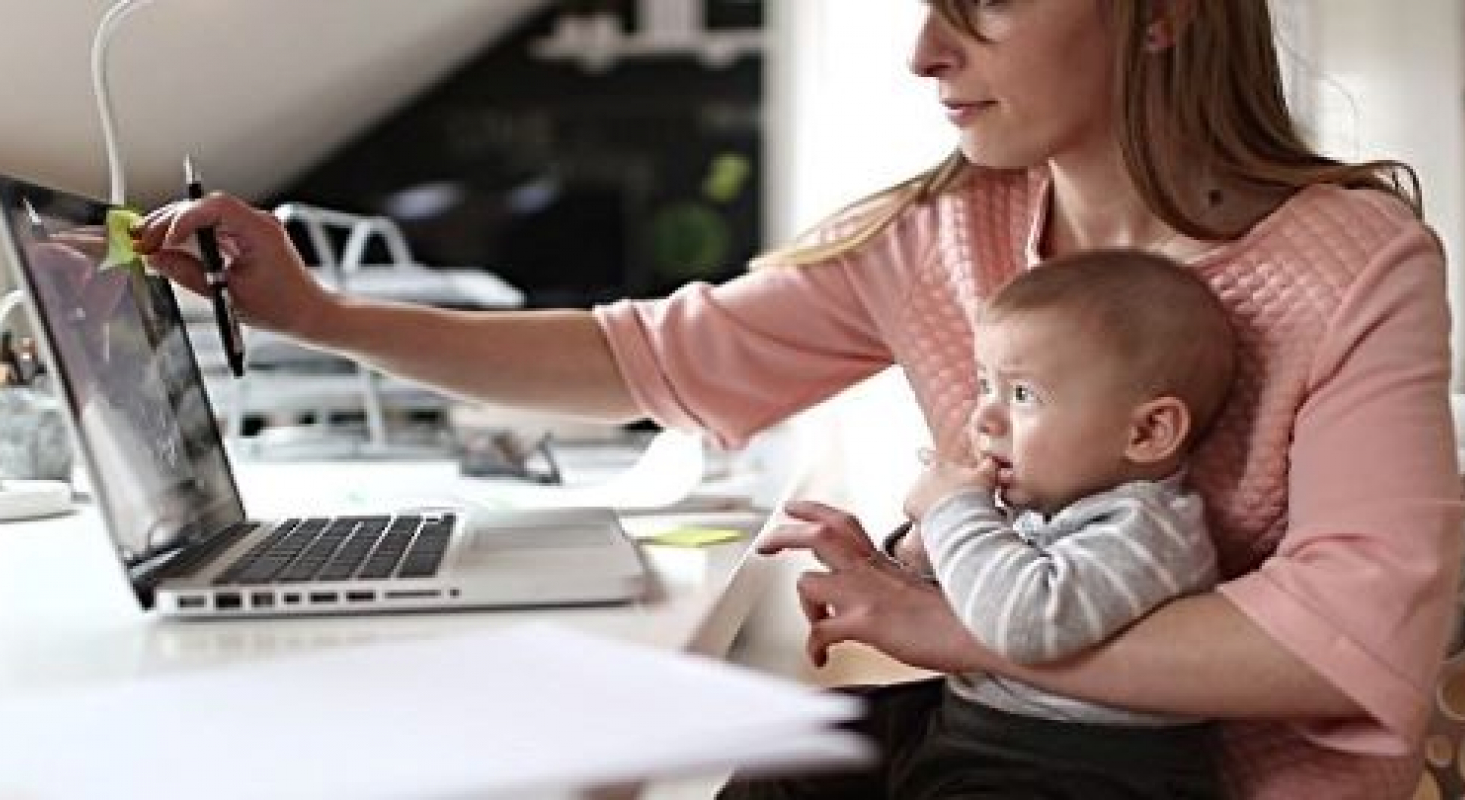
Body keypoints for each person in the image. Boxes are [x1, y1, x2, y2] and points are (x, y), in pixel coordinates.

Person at [131, 0, 1463, 796]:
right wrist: (322, 316)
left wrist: (943, 626)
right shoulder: (943, 234)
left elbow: (1341, 646)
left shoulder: (1352, 265)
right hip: (986, 748)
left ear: (1163, 10)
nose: (926, 51)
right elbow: (637, 358)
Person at [737, 249, 1239, 799]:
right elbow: (977, 601)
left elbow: (1025, 622)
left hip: (1083, 768)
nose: (984, 417)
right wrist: (919, 554)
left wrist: (956, 513)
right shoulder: (1046, 505)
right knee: (792, 741)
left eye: (1023, 395)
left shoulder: (1149, 531)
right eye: (984, 385)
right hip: (972, 722)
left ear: (1147, 433)